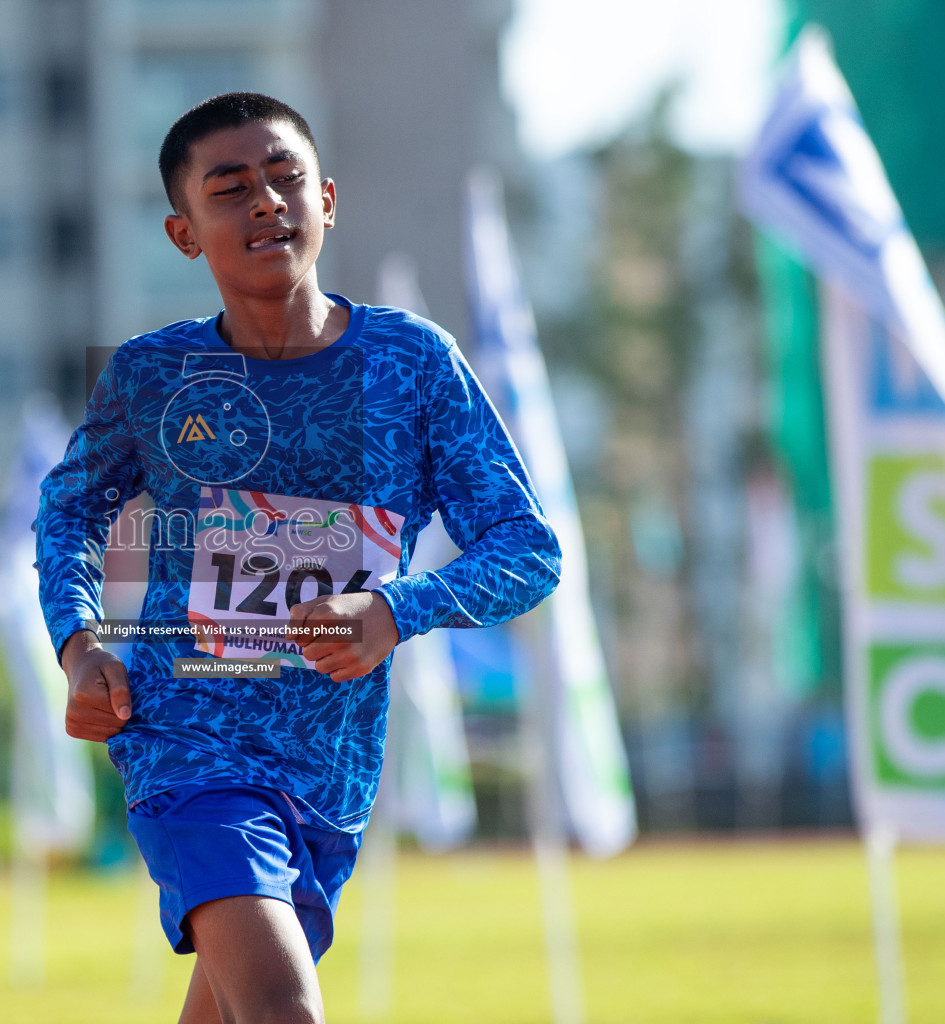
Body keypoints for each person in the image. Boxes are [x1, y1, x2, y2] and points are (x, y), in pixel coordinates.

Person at [35, 92, 560, 1023]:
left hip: (330, 769)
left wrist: (395, 610)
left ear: (326, 198)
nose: (266, 203)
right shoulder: (154, 376)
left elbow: (527, 549)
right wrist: (80, 646)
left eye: (283, 180)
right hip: (184, 743)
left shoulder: (413, 365)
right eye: (230, 189)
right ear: (184, 233)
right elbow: (69, 511)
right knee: (285, 1011)